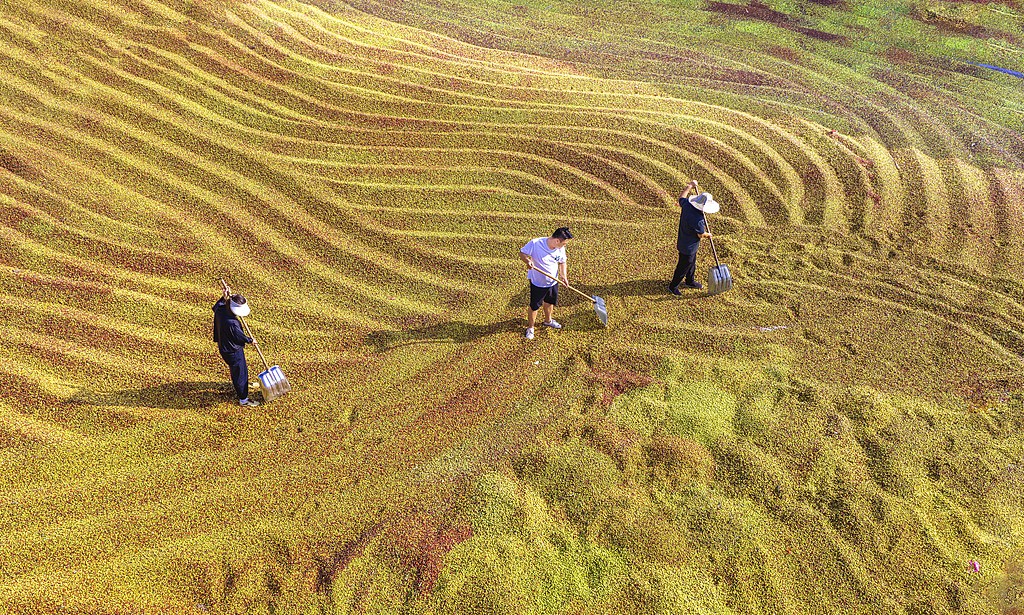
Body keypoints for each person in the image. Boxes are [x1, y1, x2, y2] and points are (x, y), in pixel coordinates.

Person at [519, 227, 573, 340]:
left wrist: (564, 276)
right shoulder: (535, 243)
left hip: (553, 281)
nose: (565, 246)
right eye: (564, 243)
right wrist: (528, 261)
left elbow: (562, 262)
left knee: (549, 302)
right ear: (557, 240)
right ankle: (530, 328)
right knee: (534, 306)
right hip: (538, 283)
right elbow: (522, 253)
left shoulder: (560, 248)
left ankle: (548, 321)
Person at [669, 179, 716, 295]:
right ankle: (673, 286)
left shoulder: (687, 205)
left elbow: (681, 198)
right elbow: (700, 235)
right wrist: (708, 234)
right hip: (688, 246)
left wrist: (690, 186)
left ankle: (690, 281)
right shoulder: (698, 220)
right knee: (684, 266)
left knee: (692, 262)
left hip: (684, 240)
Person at [212, 292, 259, 406]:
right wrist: (250, 340)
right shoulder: (232, 323)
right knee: (240, 372)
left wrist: (223, 297)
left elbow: (216, 306)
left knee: (238, 370)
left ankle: (243, 385)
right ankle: (244, 399)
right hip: (232, 351)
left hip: (225, 347)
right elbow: (239, 337)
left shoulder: (221, 310)